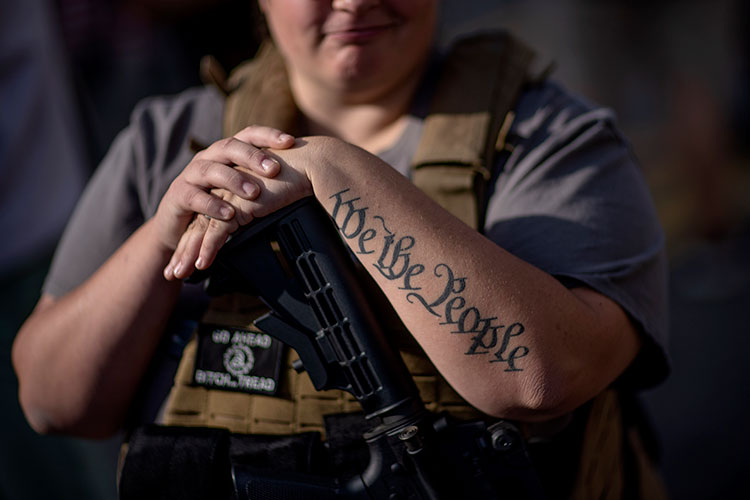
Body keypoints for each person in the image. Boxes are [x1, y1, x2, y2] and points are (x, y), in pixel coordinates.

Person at [12, 0, 669, 498]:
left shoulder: (552, 143)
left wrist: (334, 173)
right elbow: (50, 401)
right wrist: (163, 235)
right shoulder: (167, 141)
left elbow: (535, 380)